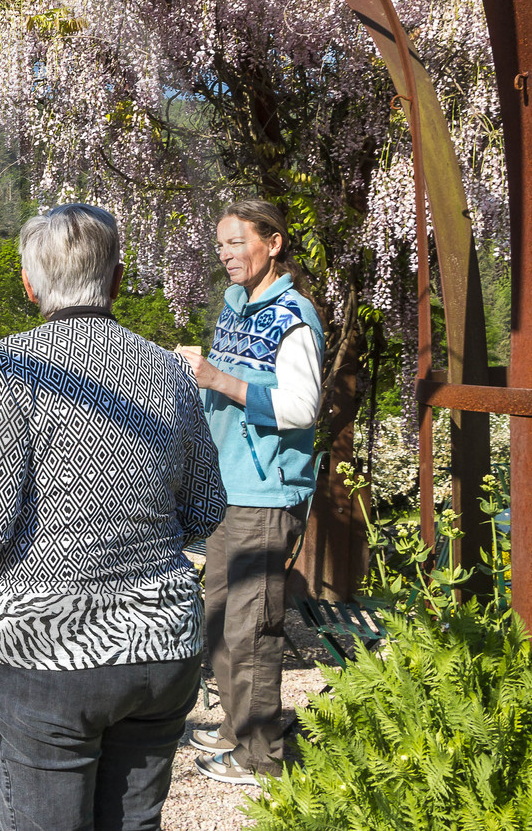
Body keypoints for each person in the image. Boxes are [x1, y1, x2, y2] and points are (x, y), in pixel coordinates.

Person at [0, 203, 226, 831]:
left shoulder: (9, 365)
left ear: (29, 285)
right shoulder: (165, 366)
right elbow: (207, 505)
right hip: (160, 642)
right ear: (118, 280)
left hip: (45, 647)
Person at [177, 199, 324, 785]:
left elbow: (300, 407)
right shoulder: (236, 305)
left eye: (237, 242)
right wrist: (201, 370)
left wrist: (218, 378)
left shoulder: (292, 316)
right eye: (221, 245)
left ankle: (260, 754)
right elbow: (231, 384)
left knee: (251, 627)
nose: (226, 254)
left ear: (273, 244)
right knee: (218, 619)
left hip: (267, 492)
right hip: (225, 486)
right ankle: (239, 725)